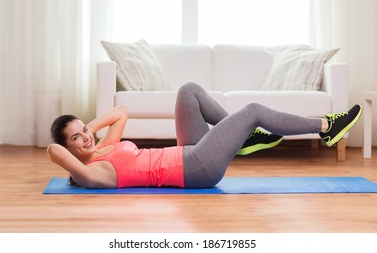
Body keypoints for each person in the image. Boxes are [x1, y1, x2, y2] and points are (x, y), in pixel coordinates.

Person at [48, 82, 362, 189]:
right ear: (68, 149)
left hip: (186, 152)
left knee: (189, 91)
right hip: (195, 168)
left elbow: (122, 111)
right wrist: (72, 144)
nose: (86, 137)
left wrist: (86, 127)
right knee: (252, 110)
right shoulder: (93, 174)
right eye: (75, 138)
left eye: (85, 130)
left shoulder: (104, 147)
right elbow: (52, 150)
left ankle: (244, 140)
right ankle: (326, 128)